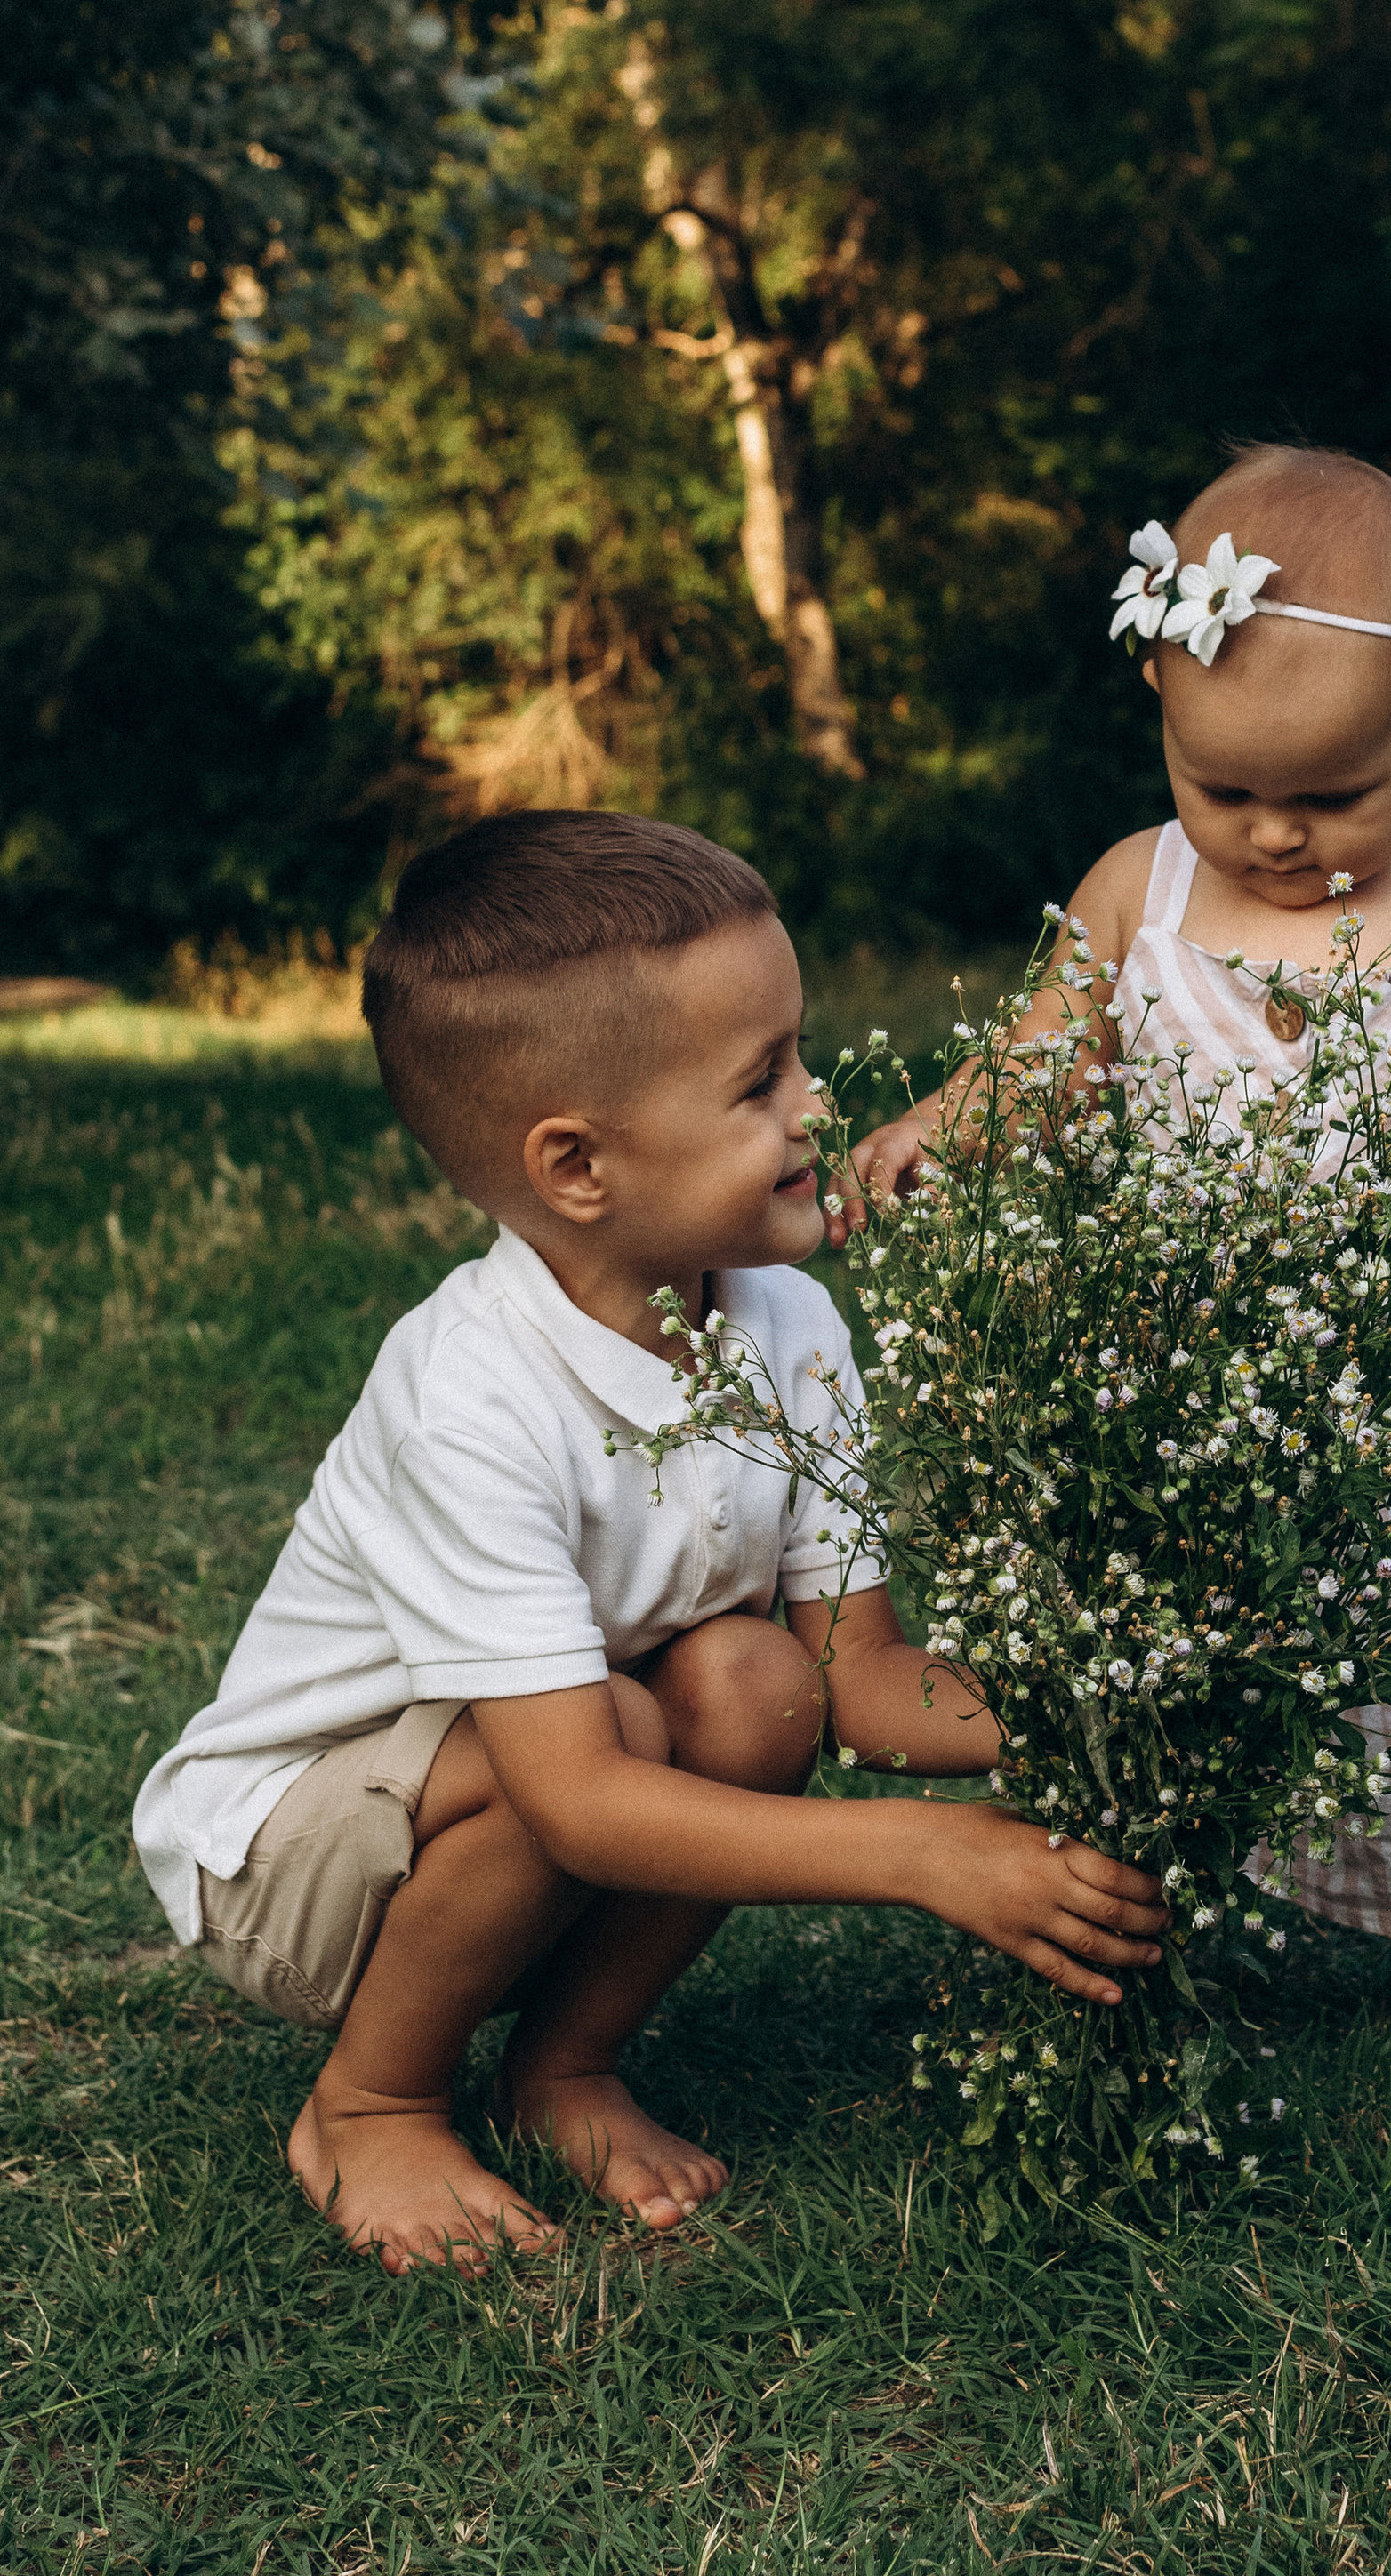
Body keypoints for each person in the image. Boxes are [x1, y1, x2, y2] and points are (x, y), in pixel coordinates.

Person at [132, 812, 1165, 2275]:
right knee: (611, 1723)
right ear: (575, 1167)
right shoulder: (471, 1393)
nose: (818, 1107)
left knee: (756, 1683)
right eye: (761, 1084)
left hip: (528, 1791)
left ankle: (563, 2067)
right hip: (296, 1856)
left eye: (801, 1056)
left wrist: (1097, 1712)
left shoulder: (785, 1319)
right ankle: (371, 2101)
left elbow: (856, 1678)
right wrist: (924, 1857)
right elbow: (580, 1803)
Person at [840, 445, 1391, 2040]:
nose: (1273, 835)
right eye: (1226, 790)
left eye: (1332, 795)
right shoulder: (1140, 886)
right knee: (1203, 1634)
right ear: (1163, 721)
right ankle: (1182, 1900)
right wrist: (947, 1118)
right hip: (1191, 1373)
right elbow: (1048, 1054)